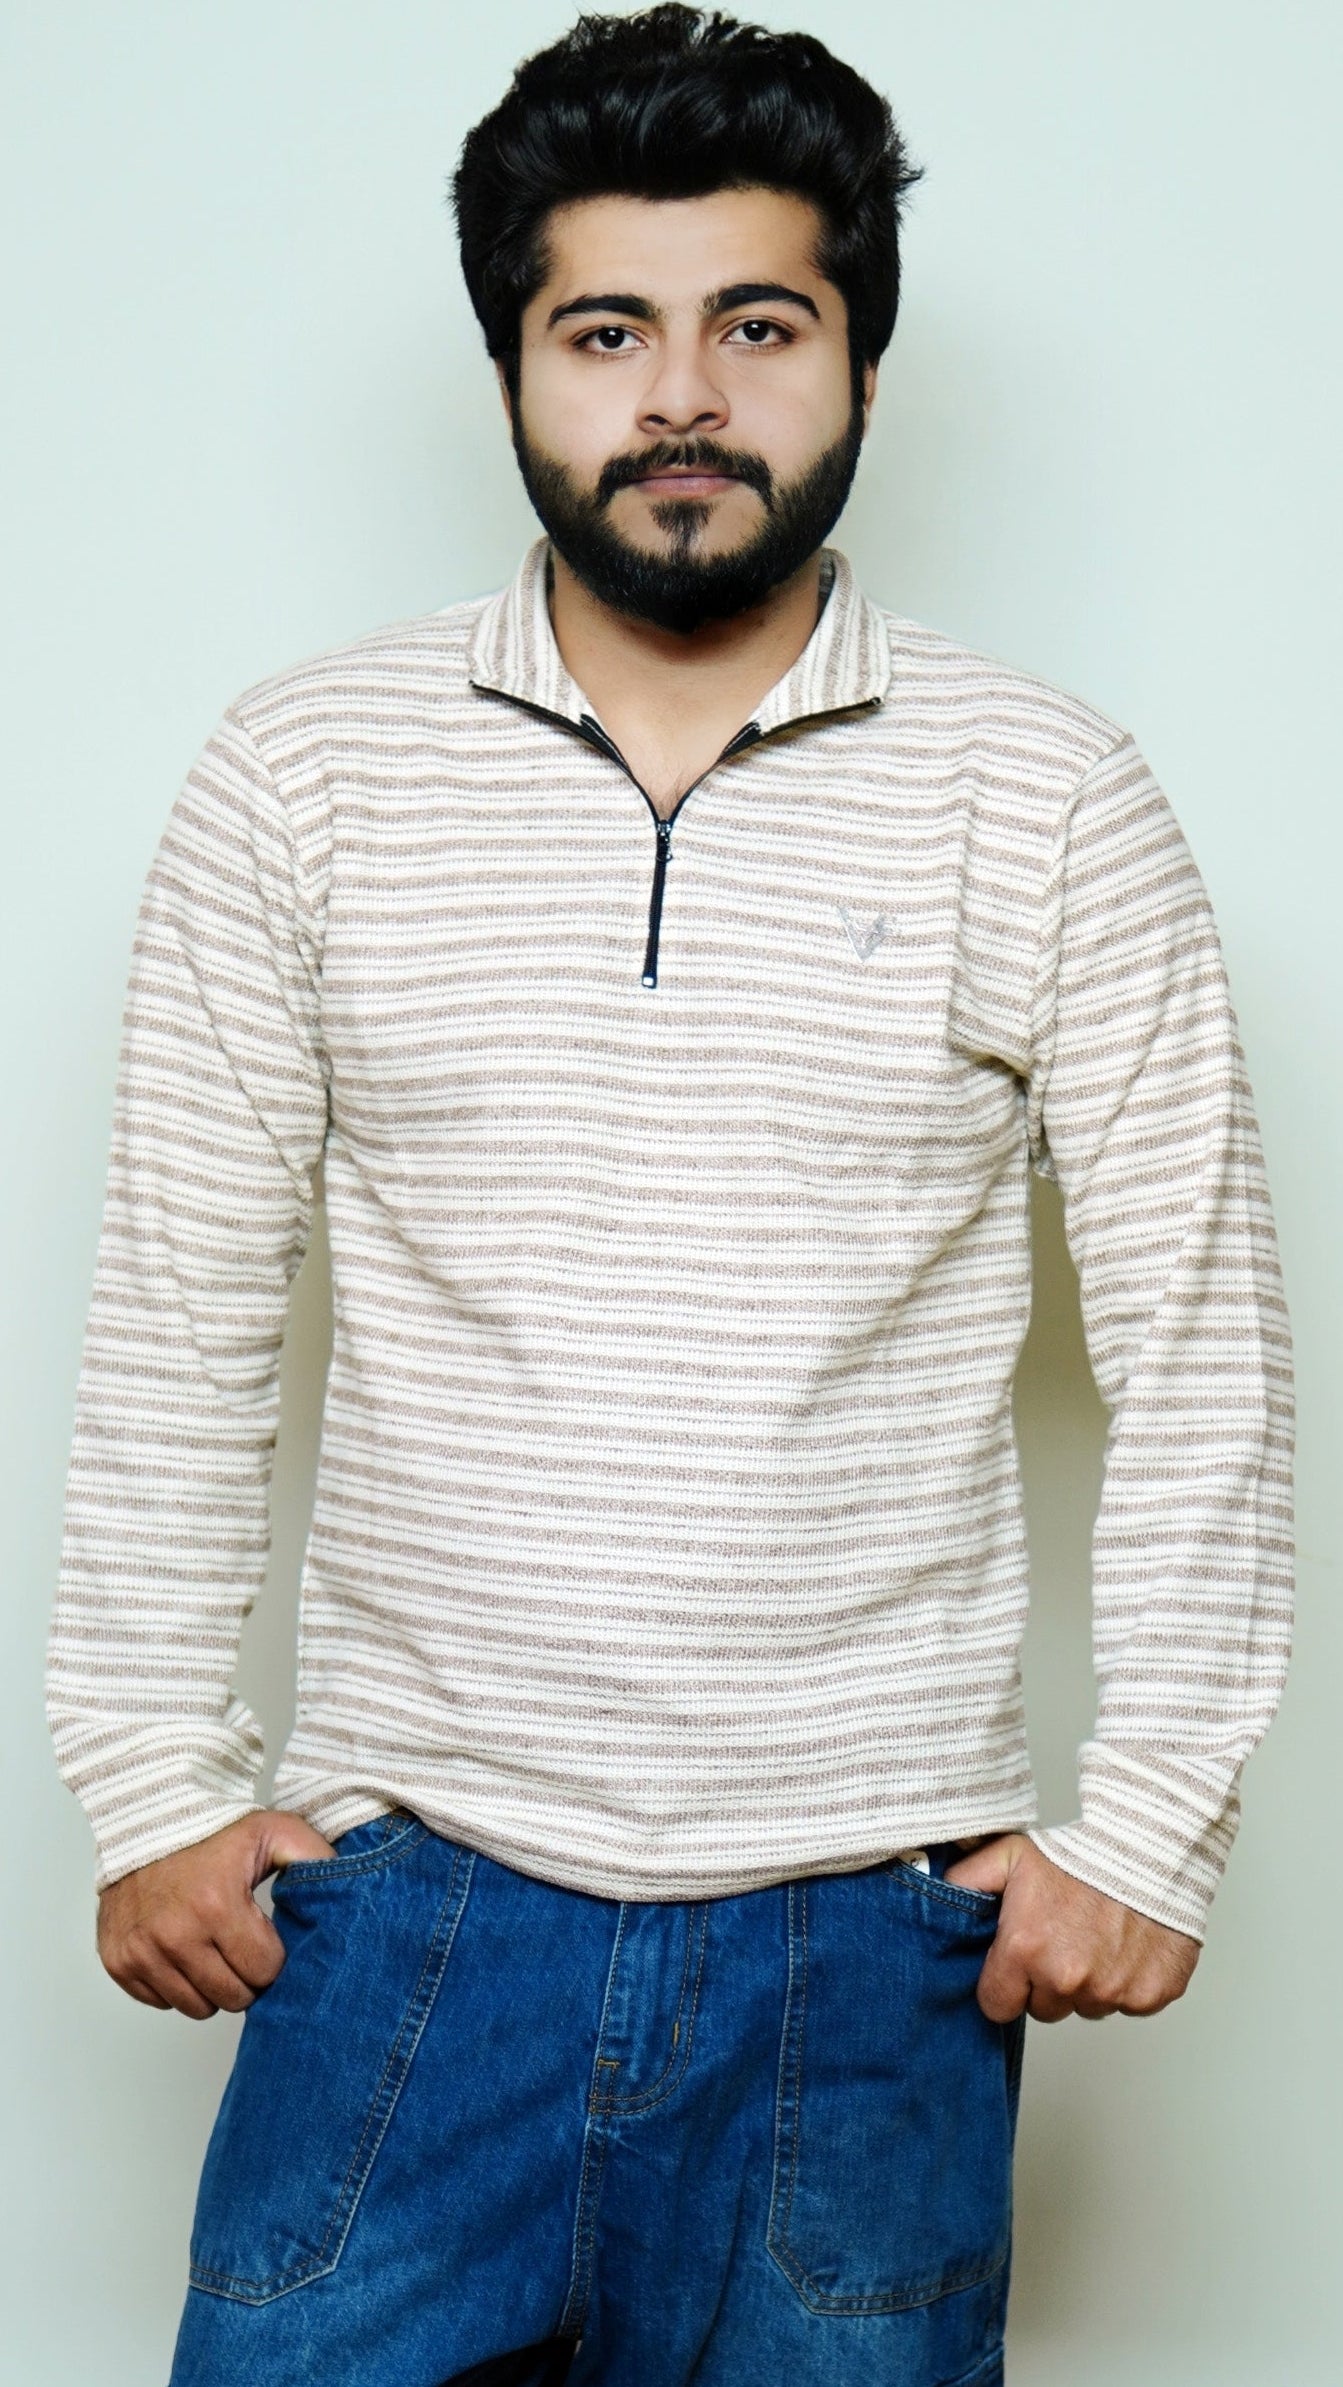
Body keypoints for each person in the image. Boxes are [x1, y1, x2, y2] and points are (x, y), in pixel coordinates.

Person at [47, 8, 1294, 2385]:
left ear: (857, 358)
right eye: (605, 330)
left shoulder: (1050, 797)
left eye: (762, 324)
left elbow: (1202, 1341)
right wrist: (150, 1779)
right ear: (516, 359)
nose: (683, 397)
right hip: (404, 1928)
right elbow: (180, 1320)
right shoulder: (303, 778)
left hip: (871, 1951)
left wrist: (1152, 1816)